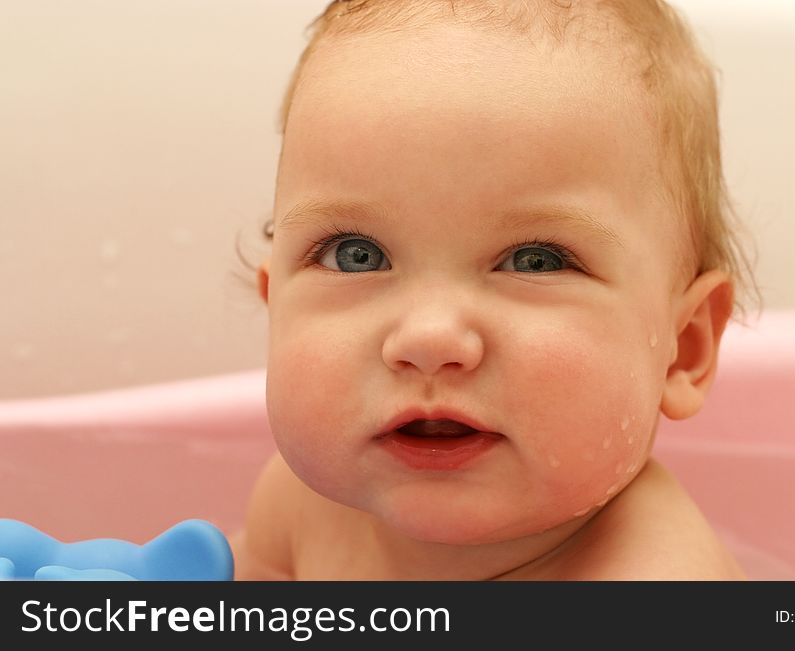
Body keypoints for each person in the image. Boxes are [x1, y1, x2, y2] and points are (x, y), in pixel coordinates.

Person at [232, 0, 760, 580]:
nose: (430, 338)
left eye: (535, 260)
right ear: (274, 307)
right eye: (355, 256)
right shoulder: (301, 504)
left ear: (681, 349)